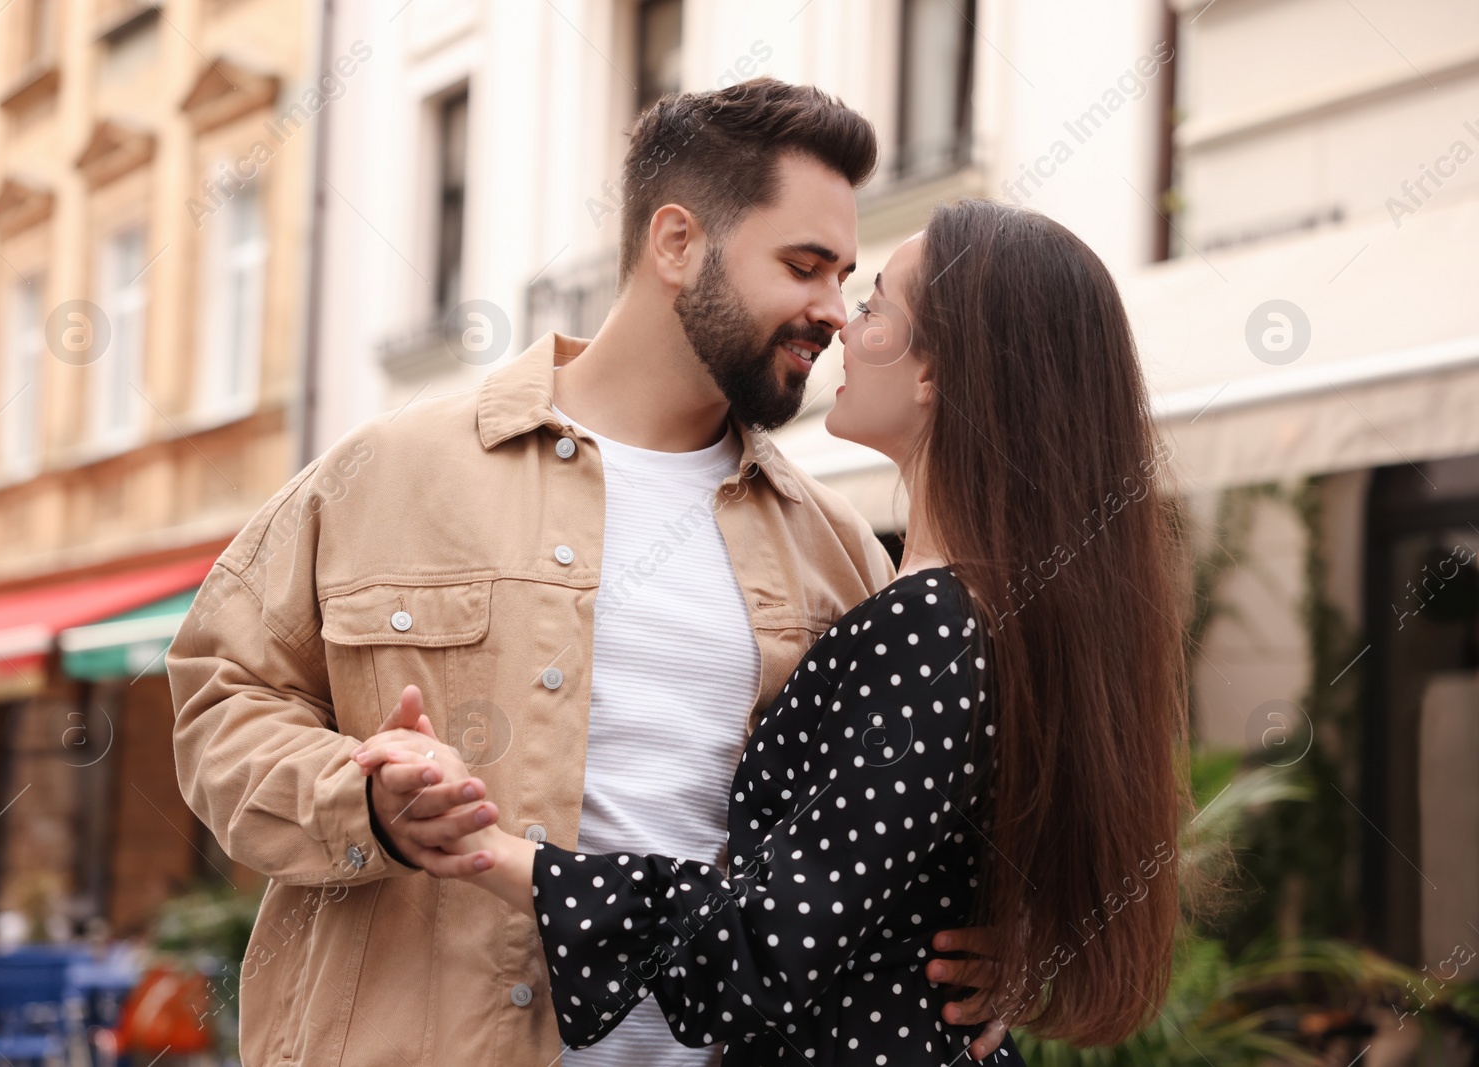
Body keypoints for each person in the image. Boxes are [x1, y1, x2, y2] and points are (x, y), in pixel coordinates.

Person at [168, 78, 1005, 1066]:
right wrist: (363, 800)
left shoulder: (837, 548)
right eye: (803, 266)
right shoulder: (385, 471)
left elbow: (898, 819)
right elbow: (220, 701)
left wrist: (996, 932)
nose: (833, 312)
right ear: (677, 243)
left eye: (846, 275)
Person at [356, 198, 1190, 1064]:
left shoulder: (928, 625)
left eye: (871, 305)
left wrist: (488, 849)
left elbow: (758, 950)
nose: (839, 322)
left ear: (936, 372)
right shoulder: (976, 608)